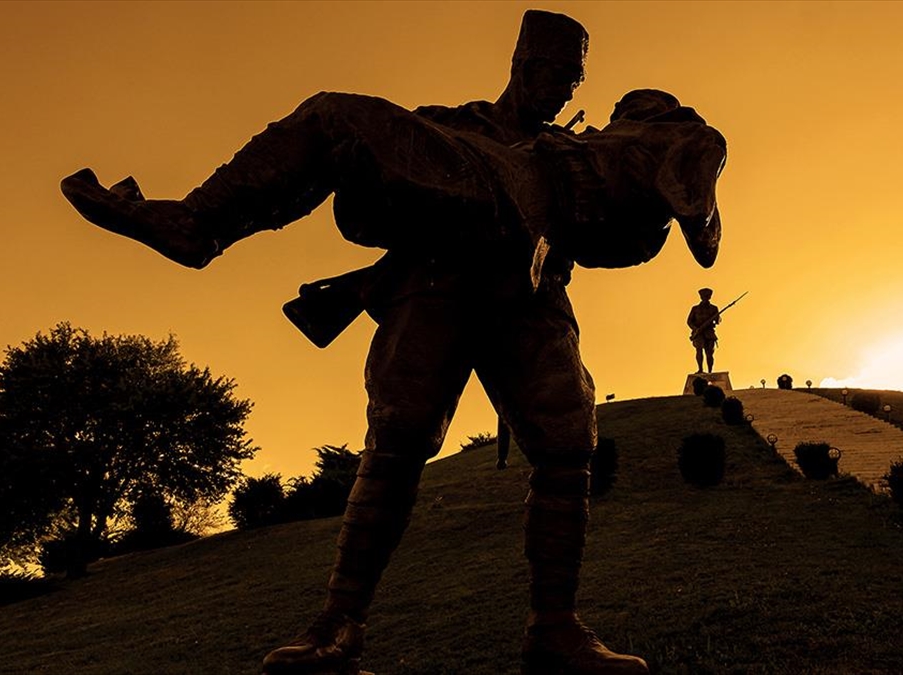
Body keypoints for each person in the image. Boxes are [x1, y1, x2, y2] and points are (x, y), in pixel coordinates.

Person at [60, 11, 724, 675]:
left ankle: (555, 628)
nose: (562, 90)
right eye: (552, 73)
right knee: (399, 441)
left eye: (573, 80)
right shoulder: (444, 129)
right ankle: (338, 622)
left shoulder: (573, 159)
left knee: (568, 440)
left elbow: (627, 234)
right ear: (522, 65)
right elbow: (367, 198)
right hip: (435, 287)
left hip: (528, 295)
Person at [687, 288, 720, 373]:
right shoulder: (695, 308)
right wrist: (695, 329)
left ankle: (710, 371)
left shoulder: (714, 308)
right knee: (699, 350)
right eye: (704, 296)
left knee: (709, 353)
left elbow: (718, 321)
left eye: (707, 296)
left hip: (709, 333)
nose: (705, 297)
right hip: (698, 333)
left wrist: (716, 318)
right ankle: (700, 369)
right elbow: (689, 321)